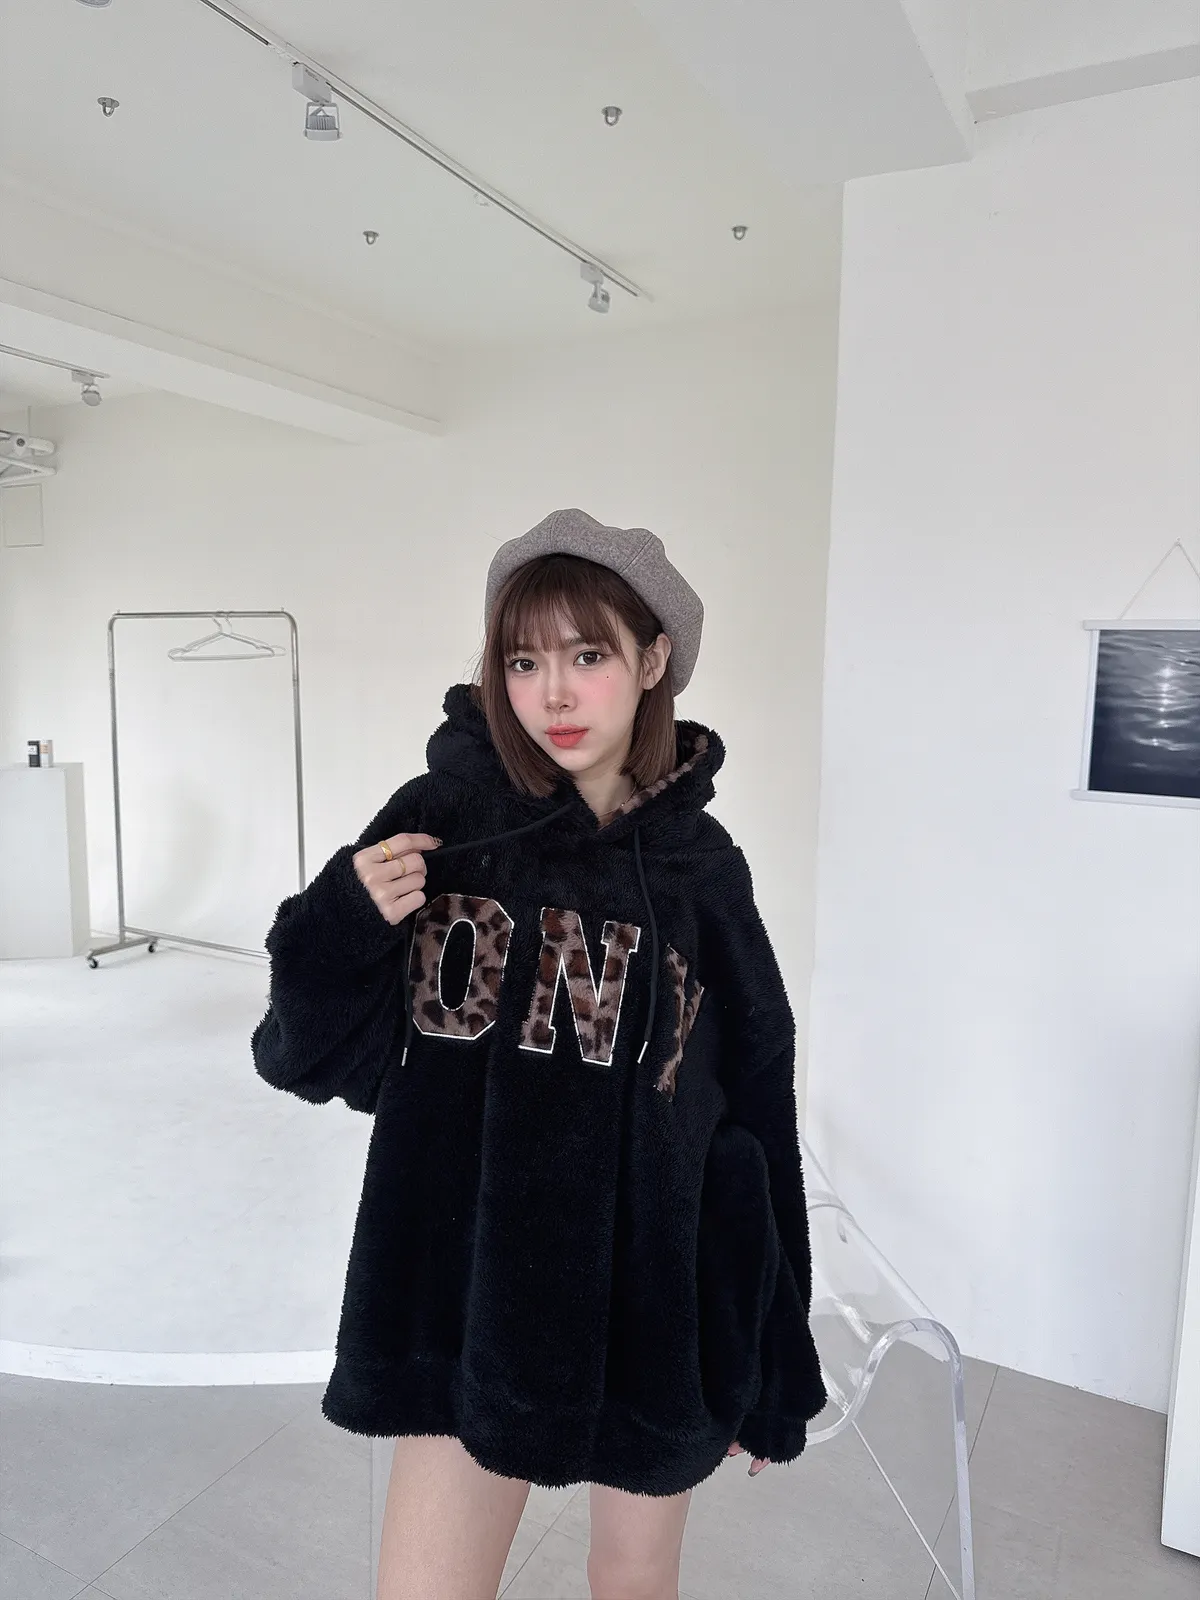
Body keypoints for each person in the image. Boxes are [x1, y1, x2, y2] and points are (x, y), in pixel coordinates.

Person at [252, 508, 827, 1600]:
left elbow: (756, 1109)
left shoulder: (703, 870)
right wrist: (341, 920)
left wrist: (773, 1352)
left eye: (588, 654)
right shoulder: (445, 823)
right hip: (468, 1301)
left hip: (656, 1302)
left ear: (653, 661)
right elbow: (307, 1057)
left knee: (633, 1582)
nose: (553, 693)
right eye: (523, 661)